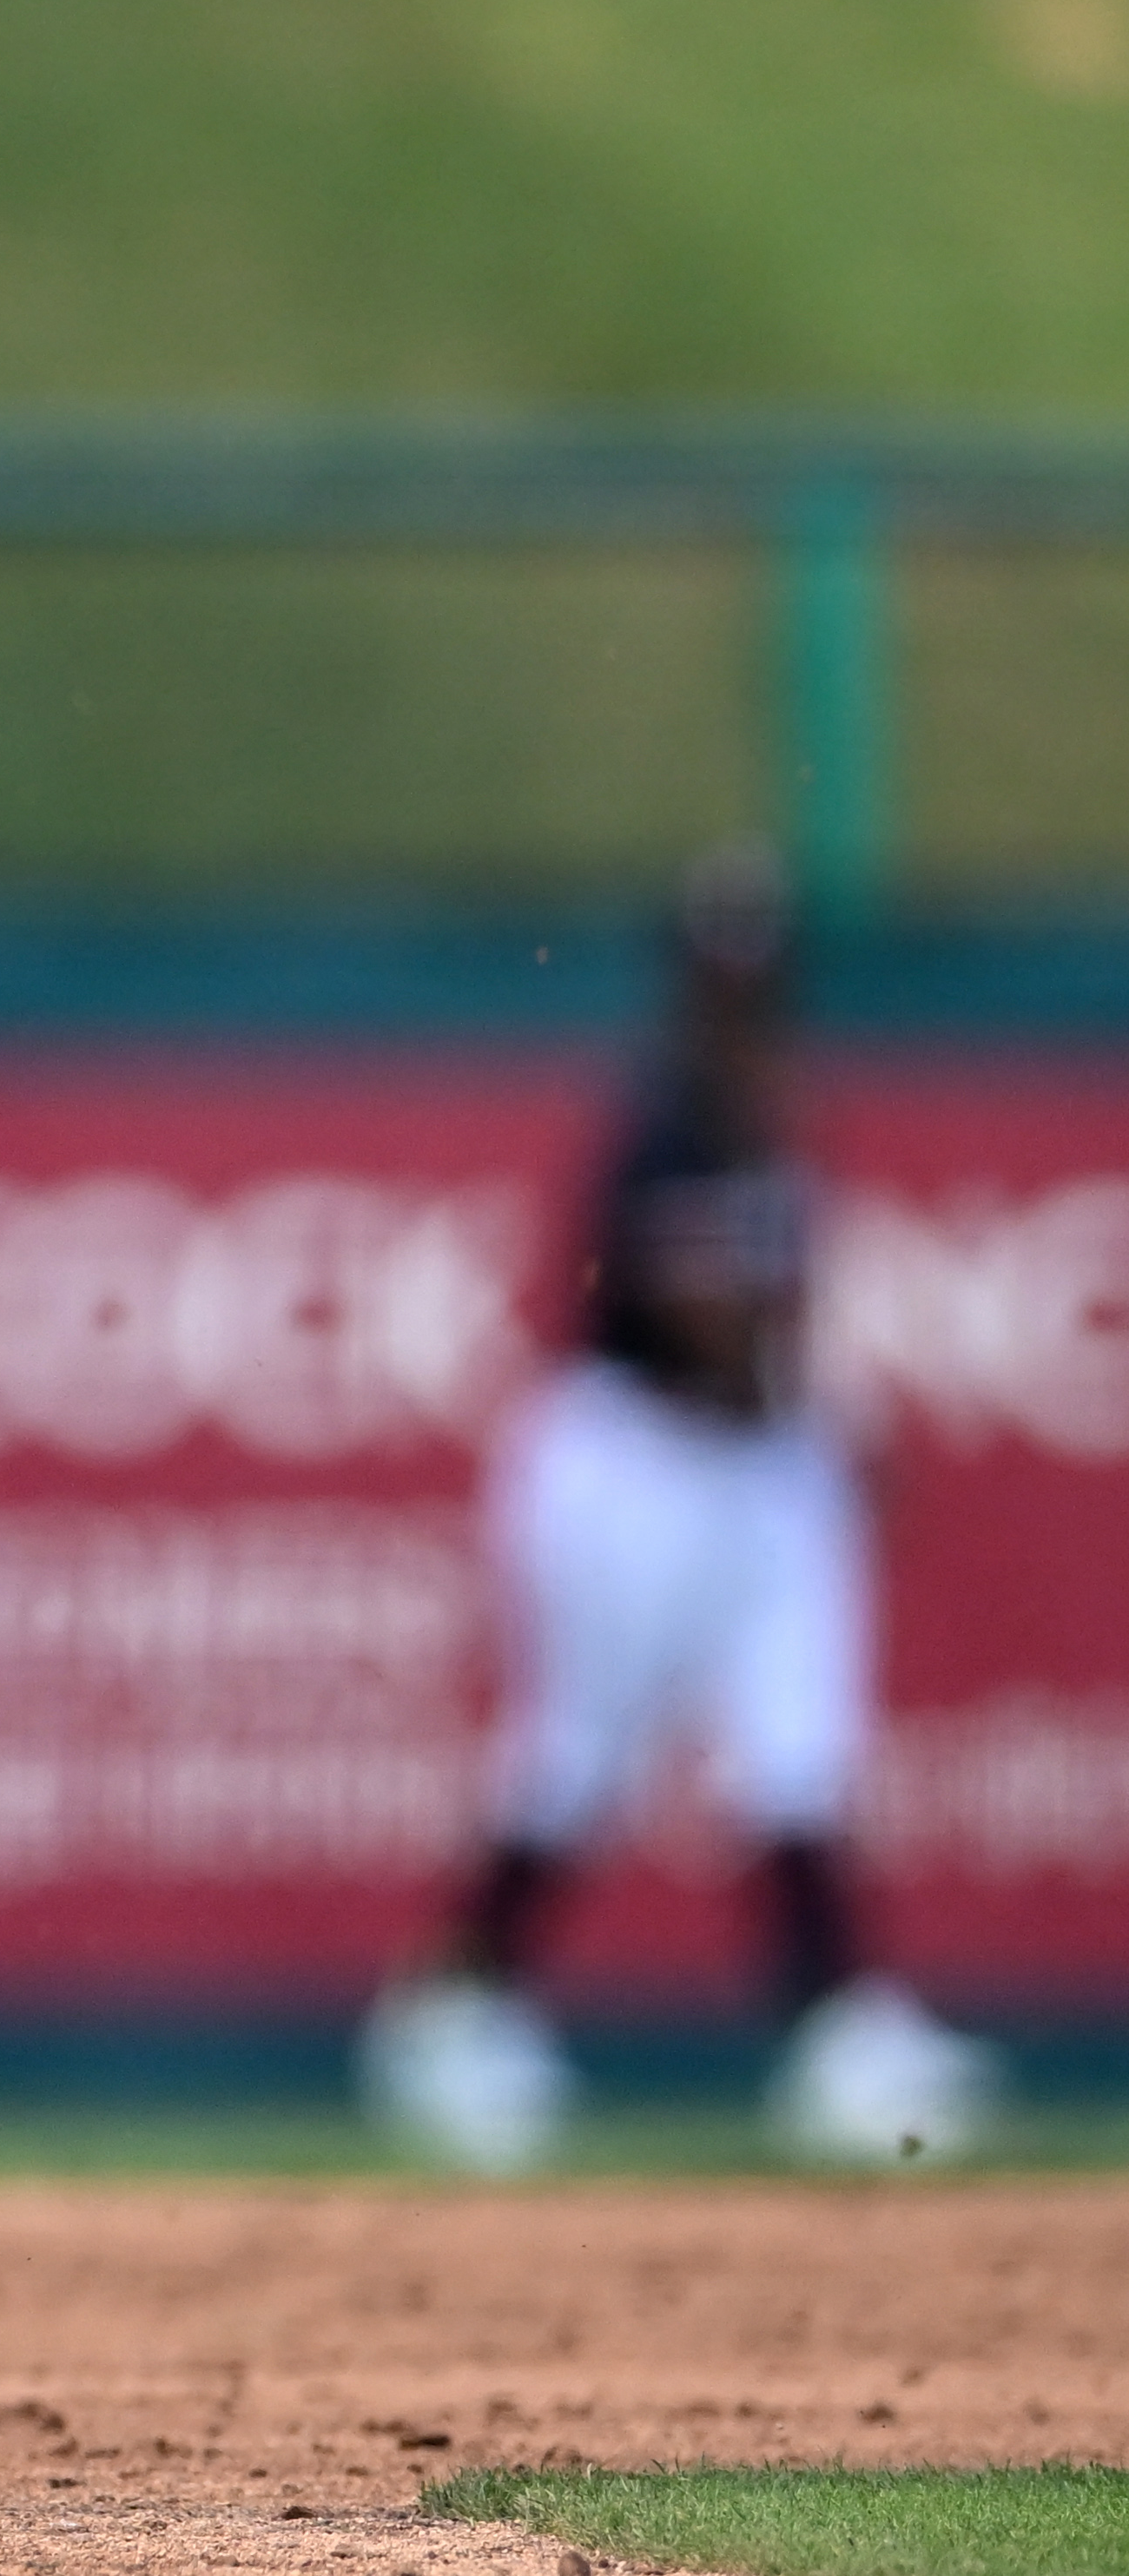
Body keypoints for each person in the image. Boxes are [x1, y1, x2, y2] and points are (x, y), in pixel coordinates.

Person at [359, 850, 1004, 2175]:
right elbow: (700, 1327)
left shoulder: (768, 1113)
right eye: (721, 978)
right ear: (683, 988)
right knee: (577, 1753)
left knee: (798, 1745)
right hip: (635, 1457)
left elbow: (775, 1322)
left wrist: (823, 1430)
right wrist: (813, 1423)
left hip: (750, 1467)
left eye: (757, 977)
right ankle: (449, 2012)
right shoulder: (664, 1124)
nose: (740, 1002)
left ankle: (839, 2035)